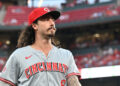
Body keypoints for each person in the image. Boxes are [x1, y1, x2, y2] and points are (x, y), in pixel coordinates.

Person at [0, 7, 82, 86]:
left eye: (52, 20)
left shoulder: (66, 55)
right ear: (35, 26)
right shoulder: (18, 55)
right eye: (46, 19)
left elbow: (74, 83)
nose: (52, 23)